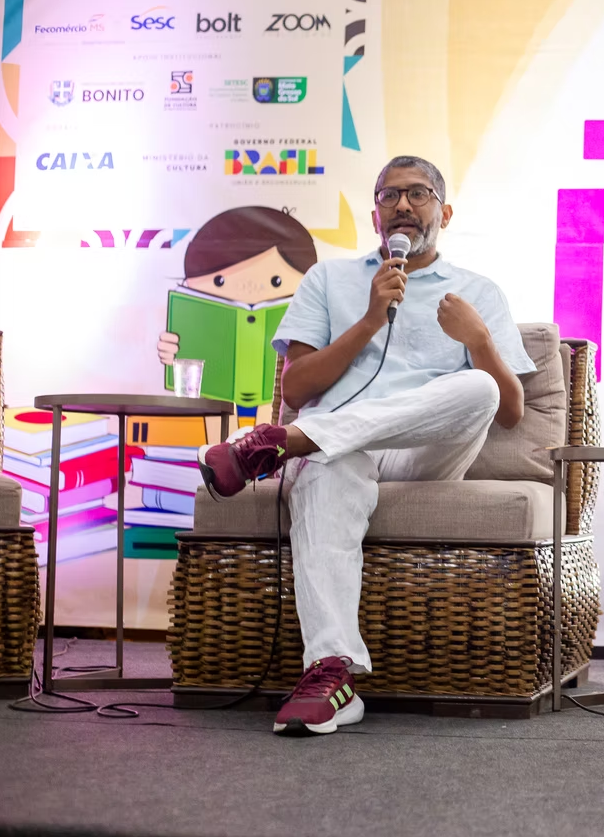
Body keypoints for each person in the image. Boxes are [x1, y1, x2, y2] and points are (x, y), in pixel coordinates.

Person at [197, 156, 535, 736]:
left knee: (478, 386)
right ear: (375, 214)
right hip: (342, 450)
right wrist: (371, 319)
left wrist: (479, 340)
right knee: (327, 467)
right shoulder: (328, 280)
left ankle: (286, 444)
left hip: (426, 454)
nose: (403, 205)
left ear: (445, 212)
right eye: (389, 195)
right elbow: (297, 390)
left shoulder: (479, 292)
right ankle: (332, 675)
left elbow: (508, 411)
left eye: (419, 193)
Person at [157, 207, 318, 426]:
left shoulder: (312, 313)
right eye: (219, 280)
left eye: (276, 281)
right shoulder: (191, 315)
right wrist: (176, 354)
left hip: (281, 408)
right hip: (214, 401)